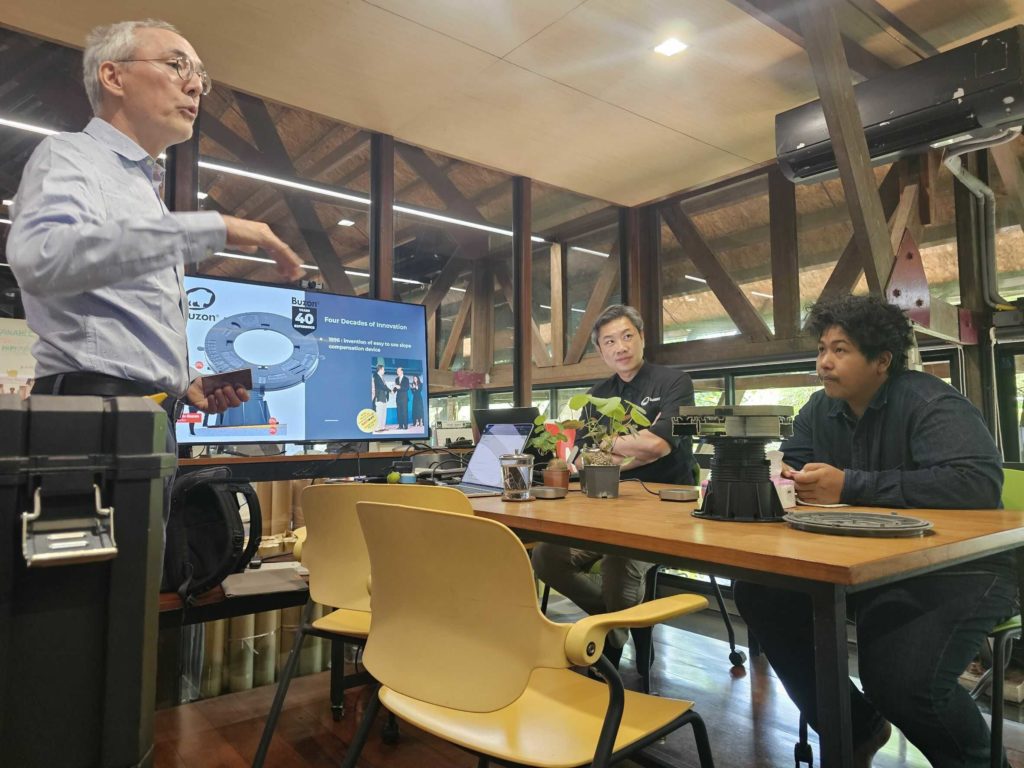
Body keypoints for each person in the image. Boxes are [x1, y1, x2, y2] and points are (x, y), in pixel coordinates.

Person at [6, 19, 303, 512]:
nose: (195, 85)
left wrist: (183, 381)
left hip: (141, 415)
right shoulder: (70, 156)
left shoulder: (144, 189)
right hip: (93, 414)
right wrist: (212, 228)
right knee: (97, 566)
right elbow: (43, 258)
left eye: (200, 76)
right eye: (176, 65)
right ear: (113, 76)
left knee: (133, 565)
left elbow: (115, 318)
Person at [733, 294, 1016, 768]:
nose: (824, 362)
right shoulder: (818, 410)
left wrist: (851, 485)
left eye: (839, 350)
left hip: (961, 569)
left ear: (882, 360)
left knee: (903, 684)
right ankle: (856, 728)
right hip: (863, 566)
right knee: (760, 592)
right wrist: (781, 476)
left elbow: (975, 483)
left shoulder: (930, 401)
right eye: (821, 349)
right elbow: (792, 465)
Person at [532, 304, 697, 664]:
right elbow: (583, 457)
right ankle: (612, 623)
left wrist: (609, 444)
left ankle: (608, 647)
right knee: (545, 555)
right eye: (609, 341)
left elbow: (658, 446)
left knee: (618, 560)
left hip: (663, 510)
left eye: (627, 336)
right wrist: (633, 444)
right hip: (606, 506)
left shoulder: (674, 382)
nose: (620, 347)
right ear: (600, 350)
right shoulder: (598, 394)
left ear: (642, 338)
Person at [372, 363, 390, 431]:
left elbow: (384, 386)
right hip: (379, 397)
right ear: (380, 369)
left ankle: (382, 427)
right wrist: (390, 390)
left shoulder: (382, 378)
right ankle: (377, 428)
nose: (384, 371)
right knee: (379, 413)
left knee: (383, 413)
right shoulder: (376, 376)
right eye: (383, 369)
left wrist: (389, 391)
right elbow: (382, 386)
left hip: (384, 397)